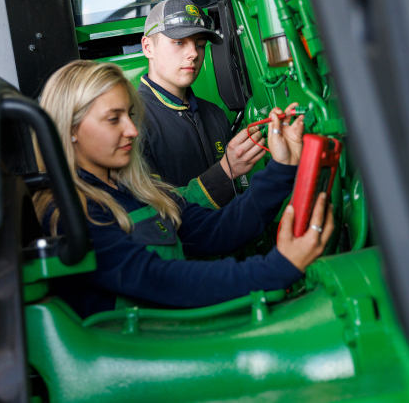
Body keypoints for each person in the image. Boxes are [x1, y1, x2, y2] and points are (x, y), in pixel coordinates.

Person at [33, 60, 334, 319]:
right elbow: (159, 280)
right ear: (70, 130)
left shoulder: (138, 189)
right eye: (114, 119)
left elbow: (218, 231)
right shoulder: (69, 212)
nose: (132, 130)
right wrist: (275, 269)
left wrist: (281, 168)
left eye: (130, 115)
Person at [139, 0, 265, 209]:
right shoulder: (132, 123)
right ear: (148, 47)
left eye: (200, 45)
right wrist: (225, 171)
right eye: (179, 42)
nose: (194, 54)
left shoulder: (215, 114)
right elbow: (154, 211)